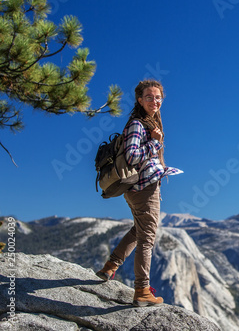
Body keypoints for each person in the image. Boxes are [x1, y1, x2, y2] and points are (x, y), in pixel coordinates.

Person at [96, 79, 167, 307]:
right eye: (149, 97)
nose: (154, 101)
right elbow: (132, 157)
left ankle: (110, 267)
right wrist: (155, 143)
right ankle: (142, 291)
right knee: (147, 237)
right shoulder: (138, 124)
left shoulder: (150, 122)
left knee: (138, 229)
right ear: (140, 100)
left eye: (158, 97)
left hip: (143, 185)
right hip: (142, 189)